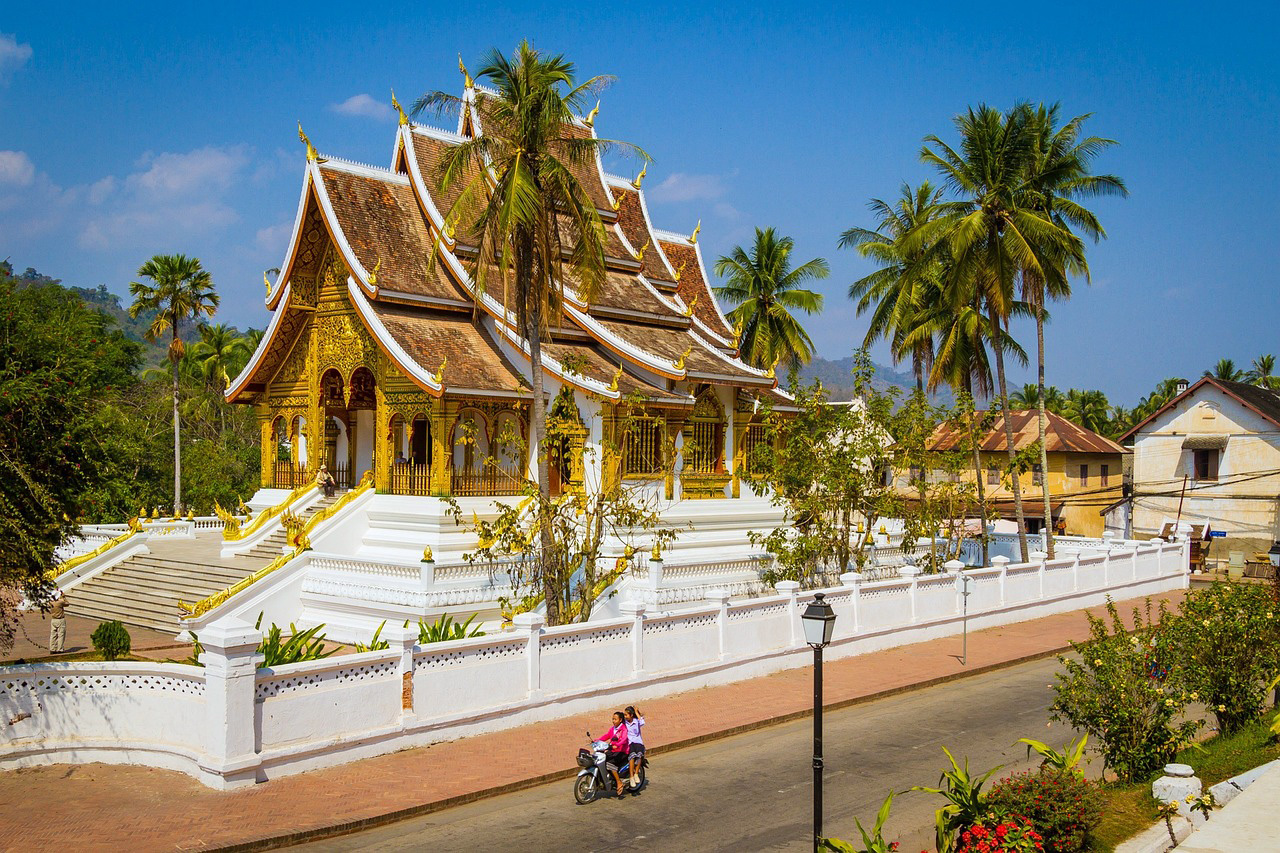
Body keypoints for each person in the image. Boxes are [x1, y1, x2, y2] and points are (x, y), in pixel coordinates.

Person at [602, 710, 630, 796]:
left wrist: (617, 745)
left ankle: (619, 782)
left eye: (615, 719)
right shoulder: (613, 729)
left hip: (622, 751)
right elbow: (606, 736)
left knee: (609, 764)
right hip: (613, 750)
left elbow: (624, 740)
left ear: (620, 720)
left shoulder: (623, 729)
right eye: (612, 719)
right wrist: (596, 741)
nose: (613, 721)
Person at [624, 705, 645, 788]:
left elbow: (642, 722)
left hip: (638, 741)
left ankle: (636, 774)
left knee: (639, 754)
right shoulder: (624, 723)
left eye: (626, 715)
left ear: (631, 715)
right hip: (629, 742)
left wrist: (636, 712)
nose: (625, 716)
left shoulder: (636, 721)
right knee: (632, 756)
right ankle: (631, 776)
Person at [49, 589, 67, 653]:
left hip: (53, 620)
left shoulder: (50, 602)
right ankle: (60, 648)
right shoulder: (60, 602)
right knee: (61, 634)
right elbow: (67, 603)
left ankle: (52, 648)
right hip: (60, 619)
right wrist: (63, 596)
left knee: (53, 635)